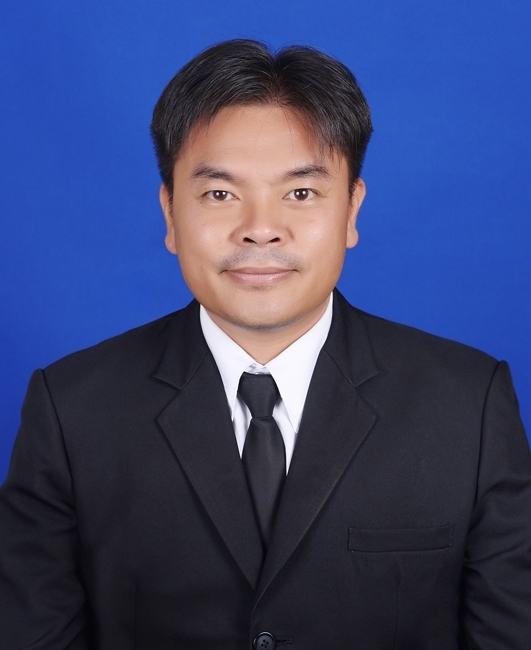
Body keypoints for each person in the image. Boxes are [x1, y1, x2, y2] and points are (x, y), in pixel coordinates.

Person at [0, 39, 530, 650]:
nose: (259, 230)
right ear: (170, 213)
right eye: (220, 193)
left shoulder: (468, 406)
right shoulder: (71, 410)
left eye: (300, 193)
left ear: (351, 210)